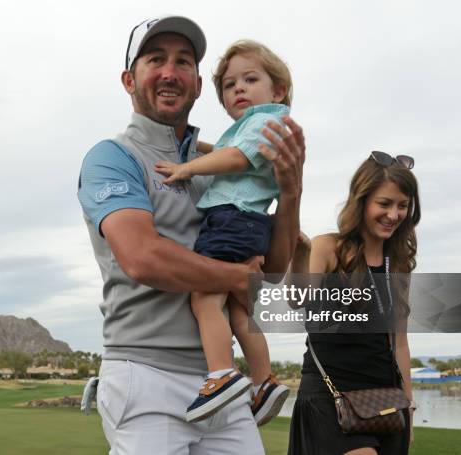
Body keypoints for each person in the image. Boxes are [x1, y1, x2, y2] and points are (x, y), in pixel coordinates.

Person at [77, 15, 305, 455]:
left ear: (198, 85)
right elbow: (143, 258)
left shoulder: (217, 173)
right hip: (146, 374)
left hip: (221, 385)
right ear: (129, 79)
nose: (169, 71)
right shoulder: (112, 157)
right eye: (155, 59)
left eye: (184, 62)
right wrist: (237, 280)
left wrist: (291, 193)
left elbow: (274, 269)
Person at [153, 40, 293, 425]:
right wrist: (196, 146)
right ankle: (263, 380)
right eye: (230, 85)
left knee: (204, 298)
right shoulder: (254, 128)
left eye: (250, 79)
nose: (239, 89)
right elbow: (233, 152)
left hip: (231, 218)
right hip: (246, 222)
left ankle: (220, 375)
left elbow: (236, 158)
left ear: (277, 90)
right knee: (237, 308)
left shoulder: (266, 121)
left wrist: (187, 169)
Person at [287, 151, 420, 455]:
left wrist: (408, 409)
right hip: (331, 393)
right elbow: (297, 300)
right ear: (361, 202)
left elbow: (399, 343)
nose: (394, 215)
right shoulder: (328, 247)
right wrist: (299, 257)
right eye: (384, 204)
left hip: (385, 399)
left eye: (402, 206)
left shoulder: (398, 264)